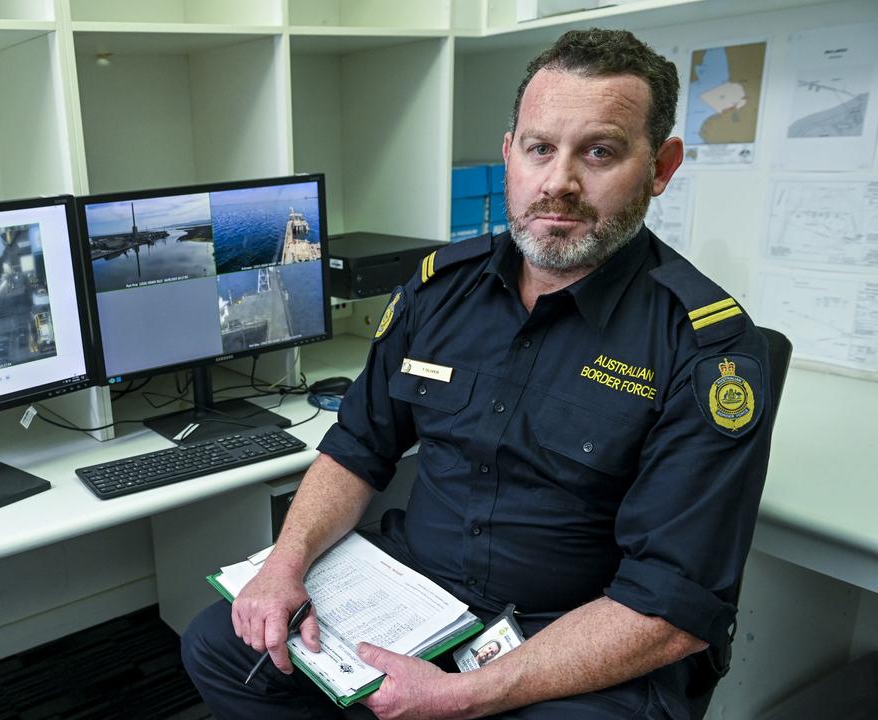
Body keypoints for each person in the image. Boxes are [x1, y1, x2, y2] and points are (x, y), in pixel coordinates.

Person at [181, 27, 774, 720]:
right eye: (539, 148)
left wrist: (465, 695)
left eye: (601, 152)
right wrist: (282, 568)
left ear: (660, 167)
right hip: (421, 598)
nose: (558, 183)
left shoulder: (704, 347)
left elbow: (671, 604)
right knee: (223, 648)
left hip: (576, 635)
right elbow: (356, 450)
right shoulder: (440, 289)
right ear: (508, 153)